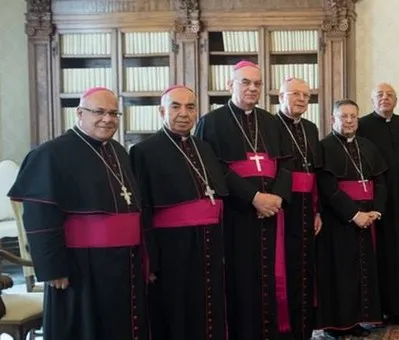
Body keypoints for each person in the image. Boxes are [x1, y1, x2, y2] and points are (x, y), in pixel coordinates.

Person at [7, 87, 150, 339]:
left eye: (113, 113)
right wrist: (52, 268)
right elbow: (39, 217)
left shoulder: (117, 151)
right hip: (80, 266)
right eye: (99, 112)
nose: (107, 118)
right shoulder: (51, 153)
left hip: (122, 262)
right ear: (79, 113)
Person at [194, 60, 293, 340]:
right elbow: (212, 169)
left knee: (269, 279)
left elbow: (286, 163)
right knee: (240, 280)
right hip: (236, 216)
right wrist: (253, 197)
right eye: (245, 82)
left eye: (257, 83)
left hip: (271, 214)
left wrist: (277, 199)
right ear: (230, 85)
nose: (252, 88)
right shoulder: (211, 122)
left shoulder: (271, 121)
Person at [130, 85, 229, 340]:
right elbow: (143, 209)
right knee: (176, 310)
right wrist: (150, 257)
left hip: (209, 242)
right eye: (176, 106)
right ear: (162, 111)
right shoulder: (144, 151)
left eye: (190, 107)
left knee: (209, 304)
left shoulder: (204, 148)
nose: (183, 113)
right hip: (172, 249)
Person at [315, 99, 388, 337]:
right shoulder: (325, 147)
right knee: (340, 272)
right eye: (343, 116)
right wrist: (354, 214)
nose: (348, 121)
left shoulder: (367, 146)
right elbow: (328, 188)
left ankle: (357, 320)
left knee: (362, 271)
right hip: (339, 220)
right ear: (332, 119)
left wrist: (375, 210)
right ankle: (336, 325)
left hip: (367, 218)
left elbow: (380, 181)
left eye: (353, 117)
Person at [357, 82, 399, 325]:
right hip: (376, 194)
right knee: (379, 249)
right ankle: (377, 308)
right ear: (372, 99)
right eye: (380, 94)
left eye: (390, 95)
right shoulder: (363, 124)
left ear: (396, 100)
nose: (385, 98)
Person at [274, 77, 321, 339]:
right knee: (286, 267)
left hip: (306, 209)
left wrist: (317, 211)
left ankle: (304, 328)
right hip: (284, 207)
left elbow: (314, 172)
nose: (302, 99)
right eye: (295, 94)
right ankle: (284, 328)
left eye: (306, 95)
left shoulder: (311, 128)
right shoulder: (271, 126)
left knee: (305, 268)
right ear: (281, 96)